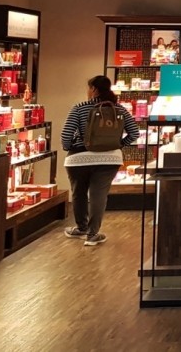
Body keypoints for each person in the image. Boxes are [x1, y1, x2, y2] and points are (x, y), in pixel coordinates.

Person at [61, 75, 139, 246]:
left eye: (89, 88)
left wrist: (69, 147)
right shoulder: (119, 109)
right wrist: (118, 145)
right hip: (109, 159)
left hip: (79, 158)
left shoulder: (80, 108)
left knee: (79, 192)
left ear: (94, 89)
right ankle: (92, 234)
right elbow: (134, 133)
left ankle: (81, 228)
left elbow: (66, 134)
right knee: (99, 195)